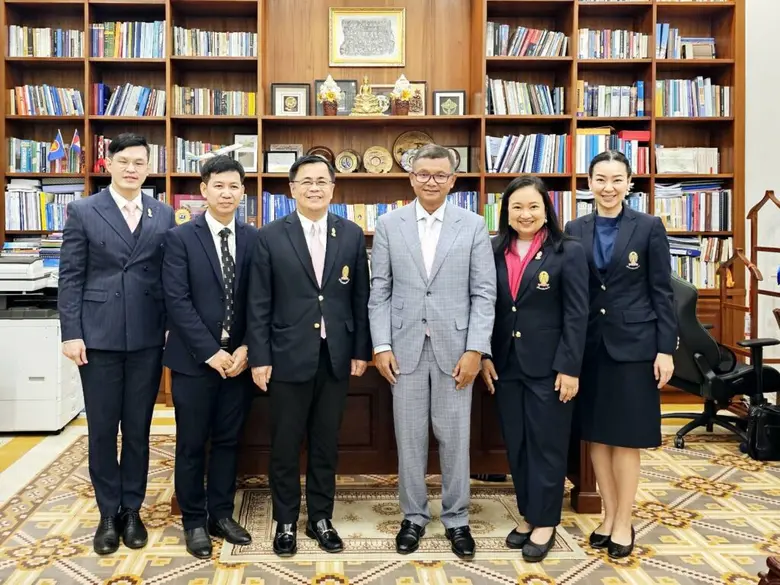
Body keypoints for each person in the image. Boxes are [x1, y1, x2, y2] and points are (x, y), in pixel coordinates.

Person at [368, 143, 496, 559]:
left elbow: (483, 292)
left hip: (456, 349)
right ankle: (414, 516)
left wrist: (477, 348)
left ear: (453, 180)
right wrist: (381, 345)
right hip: (402, 349)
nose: (431, 182)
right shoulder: (389, 224)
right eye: (423, 174)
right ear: (410, 177)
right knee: (409, 438)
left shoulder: (473, 224)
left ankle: (457, 518)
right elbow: (380, 290)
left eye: (440, 175)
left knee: (455, 438)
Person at [246, 154, 372, 557]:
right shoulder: (269, 235)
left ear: (334, 189)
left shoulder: (350, 234)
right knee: (285, 442)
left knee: (325, 442)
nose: (315, 188)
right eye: (307, 181)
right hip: (285, 355)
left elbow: (359, 297)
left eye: (323, 181)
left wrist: (359, 350)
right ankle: (285, 521)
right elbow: (259, 303)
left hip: (335, 356)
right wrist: (260, 357)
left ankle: (320, 517)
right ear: (292, 189)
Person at [58, 132, 176, 555]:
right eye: (124, 161)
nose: (132, 169)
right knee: (103, 430)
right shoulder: (84, 210)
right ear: (108, 163)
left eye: (140, 162)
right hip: (98, 334)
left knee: (139, 430)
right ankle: (108, 513)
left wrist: (170, 325)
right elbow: (70, 275)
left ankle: (133, 509)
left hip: (147, 335)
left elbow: (169, 277)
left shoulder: (163, 214)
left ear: (149, 167)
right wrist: (71, 332)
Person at [564, 150, 676, 559]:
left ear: (630, 183)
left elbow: (661, 292)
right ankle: (608, 517)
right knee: (597, 437)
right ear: (588, 183)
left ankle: (625, 521)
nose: (608, 188)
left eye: (616, 180)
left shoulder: (648, 227)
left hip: (634, 347)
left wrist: (665, 348)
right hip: (590, 345)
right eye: (600, 179)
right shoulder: (575, 228)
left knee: (626, 440)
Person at [480, 176, 588, 563]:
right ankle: (528, 513)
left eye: (533, 207)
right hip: (506, 363)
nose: (525, 215)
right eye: (517, 208)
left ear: (547, 210)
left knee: (547, 444)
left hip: (550, 367)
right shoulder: (492, 249)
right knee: (519, 442)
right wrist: (486, 355)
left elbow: (577, 314)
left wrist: (570, 367)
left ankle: (545, 521)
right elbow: (486, 307)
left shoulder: (568, 251)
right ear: (505, 212)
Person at [161, 155, 257, 559]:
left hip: (238, 361)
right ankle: (194, 520)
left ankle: (220, 512)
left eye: (234, 186)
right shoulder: (181, 237)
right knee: (191, 444)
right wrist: (210, 353)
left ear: (243, 192)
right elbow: (177, 301)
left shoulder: (254, 238)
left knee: (228, 441)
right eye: (219, 185)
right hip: (194, 362)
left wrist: (247, 347)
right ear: (204, 190)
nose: (226, 193)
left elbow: (261, 300)